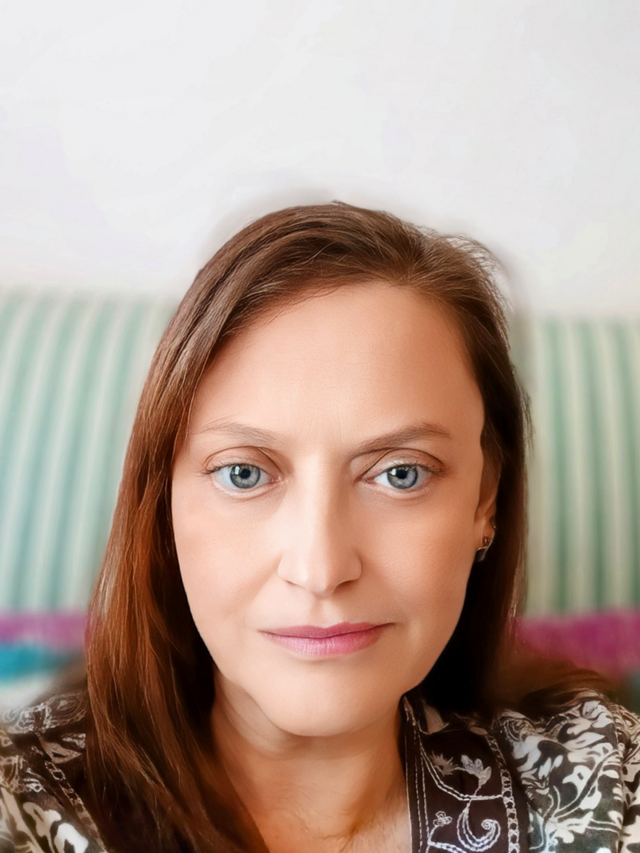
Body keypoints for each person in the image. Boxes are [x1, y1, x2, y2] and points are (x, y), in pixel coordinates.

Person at [0, 202, 638, 853]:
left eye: (401, 474)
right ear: (162, 502)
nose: (321, 568)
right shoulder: (20, 800)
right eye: (244, 473)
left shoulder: (605, 787)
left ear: (485, 501)